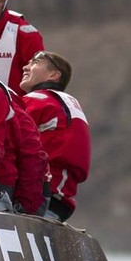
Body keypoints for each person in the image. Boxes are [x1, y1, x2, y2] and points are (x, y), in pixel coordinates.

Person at [19, 50, 90, 221]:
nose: (25, 67)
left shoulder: (38, 100)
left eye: (35, 63)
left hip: (40, 197)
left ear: (53, 75)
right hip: (60, 201)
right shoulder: (66, 102)